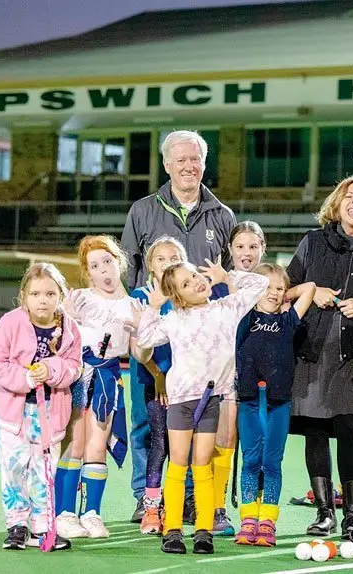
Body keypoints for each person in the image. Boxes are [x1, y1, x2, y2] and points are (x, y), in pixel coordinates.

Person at [121, 129, 237, 523]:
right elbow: (129, 272)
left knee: (197, 418)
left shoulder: (222, 216)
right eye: (181, 160)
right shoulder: (142, 211)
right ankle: (145, 494)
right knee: (146, 418)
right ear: (167, 164)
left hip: (200, 345)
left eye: (196, 160)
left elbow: (227, 279)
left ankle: (190, 496)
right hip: (156, 334)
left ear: (204, 164)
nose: (189, 167)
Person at [135, 260, 268, 555]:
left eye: (194, 275)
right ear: (178, 298)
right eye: (186, 283)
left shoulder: (225, 308)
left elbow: (259, 285)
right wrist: (153, 307)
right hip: (182, 400)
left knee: (203, 464)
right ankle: (172, 530)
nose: (196, 281)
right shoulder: (174, 319)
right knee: (179, 463)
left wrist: (227, 276)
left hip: (212, 400)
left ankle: (203, 530)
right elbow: (144, 339)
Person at [287, 174, 353, 539]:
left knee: (350, 433)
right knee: (314, 431)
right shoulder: (313, 242)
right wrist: (310, 292)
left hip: (351, 359)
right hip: (310, 352)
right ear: (337, 203)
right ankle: (325, 510)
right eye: (349, 196)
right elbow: (285, 288)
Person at [0, 262, 82, 551]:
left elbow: (75, 367)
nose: (44, 300)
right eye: (37, 293)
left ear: (60, 296)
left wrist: (51, 370)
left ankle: (43, 526)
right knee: (15, 467)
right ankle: (17, 524)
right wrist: (26, 377)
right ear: (24, 296)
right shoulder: (10, 323)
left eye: (51, 293)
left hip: (51, 412)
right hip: (14, 412)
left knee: (44, 469)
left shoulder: (69, 329)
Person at [54, 235, 137, 540]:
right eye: (95, 266)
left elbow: (139, 354)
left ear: (119, 263)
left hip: (108, 377)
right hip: (77, 375)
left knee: (97, 446)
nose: (104, 270)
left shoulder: (133, 305)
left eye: (108, 262)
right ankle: (64, 512)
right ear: (87, 273)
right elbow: (57, 343)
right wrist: (68, 321)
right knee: (75, 444)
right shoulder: (78, 299)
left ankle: (91, 513)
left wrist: (140, 329)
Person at [233, 263, 316, 546]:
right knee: (251, 460)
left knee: (271, 462)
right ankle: (248, 519)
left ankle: (267, 520)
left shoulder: (287, 321)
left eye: (278, 289)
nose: (274, 293)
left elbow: (310, 289)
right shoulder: (243, 317)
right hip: (249, 402)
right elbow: (236, 289)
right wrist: (258, 288)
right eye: (266, 287)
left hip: (278, 403)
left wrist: (284, 294)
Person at [210, 220, 268, 537]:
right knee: (224, 440)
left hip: (262, 377)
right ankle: (217, 507)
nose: (246, 253)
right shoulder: (216, 285)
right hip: (226, 375)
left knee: (259, 447)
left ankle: (255, 511)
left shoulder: (266, 284)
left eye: (253, 246)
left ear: (263, 249)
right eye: (240, 246)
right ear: (230, 250)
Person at [129, 236, 187, 535]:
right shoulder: (140, 295)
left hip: (182, 383)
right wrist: (157, 374)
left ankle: (183, 497)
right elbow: (137, 342)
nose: (168, 262)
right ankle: (144, 496)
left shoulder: (186, 294)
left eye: (174, 257)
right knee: (146, 433)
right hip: (149, 379)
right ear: (150, 265)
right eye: (161, 258)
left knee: (179, 438)